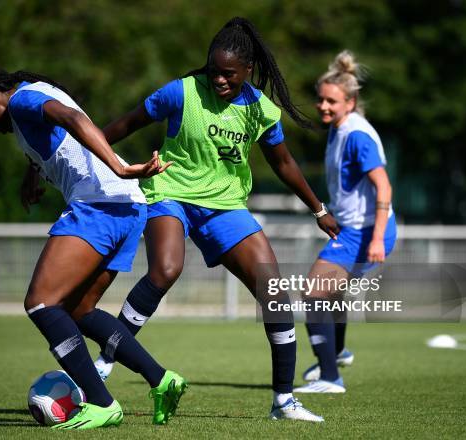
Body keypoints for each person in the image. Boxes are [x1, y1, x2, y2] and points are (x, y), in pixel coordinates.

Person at [88, 17, 340, 422]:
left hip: (225, 205)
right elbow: (124, 124)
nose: (219, 80)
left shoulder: (260, 109)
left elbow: (284, 163)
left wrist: (320, 209)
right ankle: (105, 361)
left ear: (247, 71)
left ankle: (284, 402)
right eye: (213, 71)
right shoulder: (181, 92)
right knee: (166, 270)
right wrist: (87, 153)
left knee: (273, 292)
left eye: (228, 74)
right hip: (170, 194)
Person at [0, 67, 187, 429]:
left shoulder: (21, 101)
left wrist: (120, 166)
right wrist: (32, 175)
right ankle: (162, 379)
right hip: (129, 208)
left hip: (99, 206)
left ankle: (101, 402)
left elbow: (72, 118)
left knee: (41, 303)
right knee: (80, 310)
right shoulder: (34, 97)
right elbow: (50, 138)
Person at [293, 51, 397, 393]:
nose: (323, 106)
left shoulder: (356, 136)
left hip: (366, 231)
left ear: (350, 103)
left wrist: (378, 238)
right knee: (330, 295)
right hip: (354, 229)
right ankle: (336, 352)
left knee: (313, 294)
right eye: (321, 99)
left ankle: (329, 377)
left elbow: (383, 185)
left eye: (331, 102)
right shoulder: (340, 129)